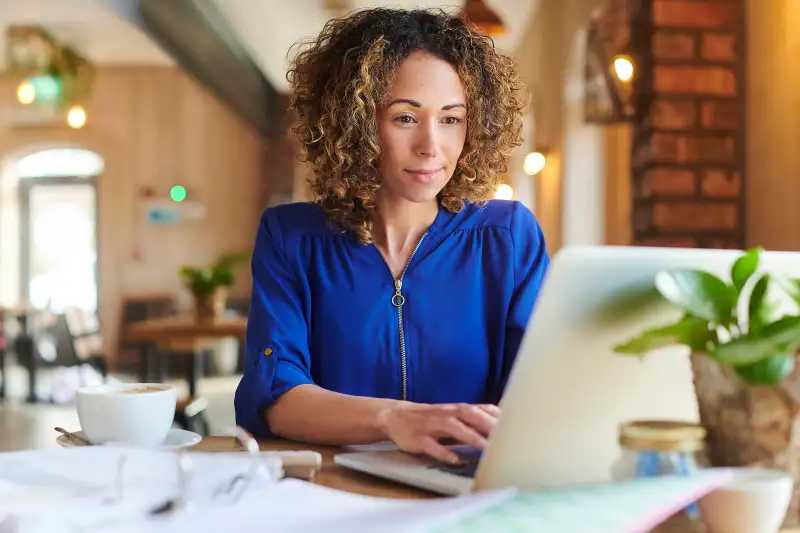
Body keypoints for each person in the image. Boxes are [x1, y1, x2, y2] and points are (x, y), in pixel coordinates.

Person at [234, 7, 550, 465]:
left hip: (465, 492)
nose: (431, 146)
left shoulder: (509, 237)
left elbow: (539, 389)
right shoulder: (291, 237)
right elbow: (275, 396)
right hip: (334, 495)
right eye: (405, 118)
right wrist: (393, 419)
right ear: (356, 123)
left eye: (451, 119)